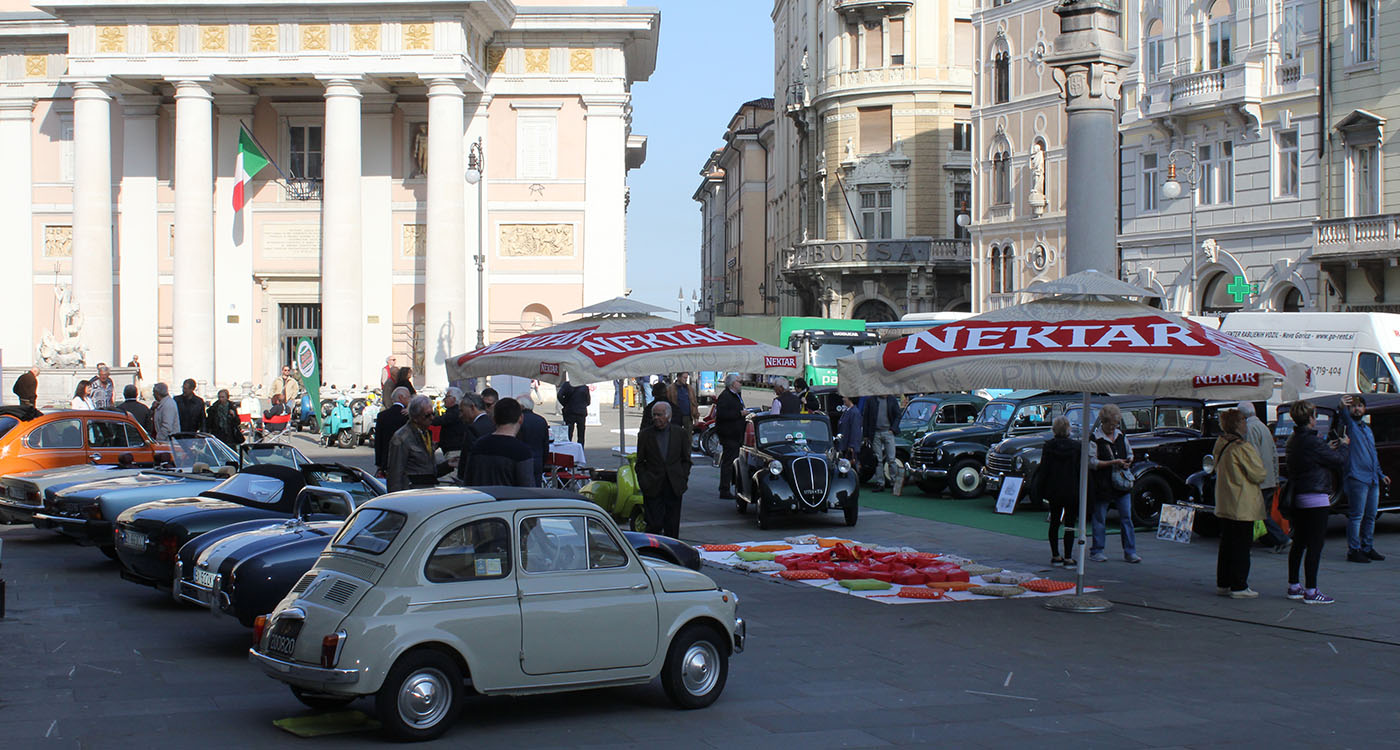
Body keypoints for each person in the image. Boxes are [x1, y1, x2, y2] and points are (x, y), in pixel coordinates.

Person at [1285, 400, 1349, 604]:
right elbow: (1338, 461)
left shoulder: (1294, 439)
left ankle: (1294, 585)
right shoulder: (1312, 442)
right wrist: (1344, 448)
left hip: (1300, 495)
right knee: (1315, 545)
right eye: (1314, 416)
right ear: (1310, 418)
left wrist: (1326, 449)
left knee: (1299, 543)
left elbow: (1312, 458)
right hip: (1316, 497)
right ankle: (1311, 591)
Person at [1213, 409, 1267, 598]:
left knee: (1227, 544)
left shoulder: (1220, 443)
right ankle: (1239, 585)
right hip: (1242, 502)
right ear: (1237, 424)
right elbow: (1258, 473)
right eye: (1243, 420)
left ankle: (1224, 582)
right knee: (1242, 545)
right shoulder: (1242, 447)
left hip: (1224, 501)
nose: (1246, 424)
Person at [1337, 395, 1390, 563]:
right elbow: (1345, 416)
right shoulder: (1351, 426)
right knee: (1356, 516)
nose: (1357, 409)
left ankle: (1367, 547)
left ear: (1364, 409)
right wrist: (1342, 407)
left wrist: (1381, 474)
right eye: (1354, 407)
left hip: (1372, 478)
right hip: (1357, 477)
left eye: (1360, 406)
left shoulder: (1367, 429)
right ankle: (1354, 550)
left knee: (1371, 515)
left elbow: (1373, 454)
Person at [1088, 403, 1141, 563]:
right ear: (1103, 422)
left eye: (1115, 424)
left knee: (1126, 517)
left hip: (1121, 484)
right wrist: (1112, 463)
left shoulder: (1121, 436)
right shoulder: (1095, 439)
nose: (1113, 427)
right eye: (1110, 424)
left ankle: (1130, 552)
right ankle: (1097, 550)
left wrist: (1128, 462)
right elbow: (1092, 462)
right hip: (1102, 485)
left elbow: (1130, 453)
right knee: (1099, 518)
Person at [1237, 401, 1288, 552]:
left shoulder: (1250, 429)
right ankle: (1274, 539)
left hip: (1260, 481)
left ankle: (1281, 539)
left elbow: (1253, 456)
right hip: (1269, 478)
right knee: (1262, 513)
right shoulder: (1263, 427)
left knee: (1260, 514)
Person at [635, 401, 692, 538]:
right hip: (653, 485)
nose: (656, 418)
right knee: (654, 525)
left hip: (674, 485)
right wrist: (644, 481)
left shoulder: (680, 433)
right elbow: (640, 462)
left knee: (672, 526)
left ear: (668, 416)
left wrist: (683, 478)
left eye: (659, 415)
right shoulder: (645, 435)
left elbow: (686, 459)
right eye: (654, 415)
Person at [1036, 416, 1081, 568]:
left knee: (1054, 521)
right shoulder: (1077, 447)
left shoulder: (1048, 447)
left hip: (1054, 489)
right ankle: (1068, 557)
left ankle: (1055, 555)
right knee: (1070, 523)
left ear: (1054, 429)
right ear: (1069, 429)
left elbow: (1044, 470)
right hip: (1072, 488)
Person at [386, 395, 455, 492]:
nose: (432, 418)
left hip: (427, 491)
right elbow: (395, 473)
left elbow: (428, 468)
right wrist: (395, 499)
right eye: (427, 415)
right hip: (411, 493)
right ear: (415, 417)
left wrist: (447, 465)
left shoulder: (426, 433)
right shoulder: (402, 437)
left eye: (433, 414)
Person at [461, 397, 535, 486]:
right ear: (521, 418)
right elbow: (527, 488)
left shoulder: (478, 446)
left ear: (494, 419)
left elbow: (468, 480)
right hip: (510, 499)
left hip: (482, 498)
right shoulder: (522, 452)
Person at [860, 394, 902, 494]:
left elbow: (897, 415)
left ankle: (894, 482)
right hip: (875, 433)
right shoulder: (871, 400)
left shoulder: (892, 399)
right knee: (877, 459)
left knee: (891, 459)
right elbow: (866, 417)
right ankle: (880, 483)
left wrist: (893, 429)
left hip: (888, 432)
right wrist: (866, 435)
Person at [715, 373, 746, 499]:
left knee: (733, 461)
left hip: (736, 434)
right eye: (739, 381)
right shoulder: (725, 396)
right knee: (728, 461)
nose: (741, 384)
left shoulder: (737, 395)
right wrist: (739, 413)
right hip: (729, 434)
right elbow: (722, 415)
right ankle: (724, 489)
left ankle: (731, 486)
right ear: (733, 383)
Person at [453, 392, 493, 484]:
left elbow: (469, 458)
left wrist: (462, 478)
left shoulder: (473, 429)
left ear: (472, 407)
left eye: (462, 411)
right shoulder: (492, 424)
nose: (460, 415)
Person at [374, 387, 412, 475]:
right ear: (401, 397)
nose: (410, 400)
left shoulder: (382, 415)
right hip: (406, 461)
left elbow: (378, 441)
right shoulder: (408, 416)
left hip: (387, 460)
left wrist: (379, 463)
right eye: (408, 397)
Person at [517, 396, 551, 488]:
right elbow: (545, 445)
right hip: (538, 459)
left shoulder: (518, 421)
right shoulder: (541, 420)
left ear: (521, 406)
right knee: (537, 486)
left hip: (522, 460)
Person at [432, 387, 468, 456]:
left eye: (447, 397)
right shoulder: (453, 411)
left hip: (454, 450)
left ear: (454, 399)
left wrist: (427, 416)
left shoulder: (455, 412)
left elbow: (439, 421)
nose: (444, 399)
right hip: (451, 449)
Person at [836, 395, 863, 460]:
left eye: (845, 397)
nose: (843, 399)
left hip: (849, 448)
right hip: (844, 445)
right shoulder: (847, 411)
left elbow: (855, 431)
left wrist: (852, 446)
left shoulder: (855, 412)